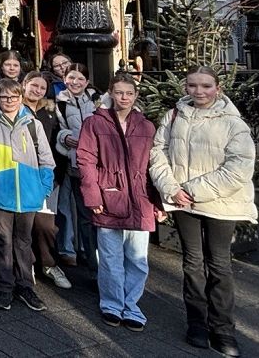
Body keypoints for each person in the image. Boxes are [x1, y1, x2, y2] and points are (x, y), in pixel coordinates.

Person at [149, 66, 257, 357]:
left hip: (220, 202)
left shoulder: (234, 123)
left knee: (219, 264)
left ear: (217, 88)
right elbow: (158, 153)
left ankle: (222, 328)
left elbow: (239, 168)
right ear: (185, 87)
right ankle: (196, 322)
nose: (199, 91)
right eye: (193, 85)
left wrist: (193, 190)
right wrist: (171, 188)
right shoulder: (173, 116)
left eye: (206, 86)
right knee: (192, 262)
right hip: (182, 200)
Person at [77, 73, 163, 331]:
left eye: (129, 93)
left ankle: (132, 304)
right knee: (110, 255)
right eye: (119, 92)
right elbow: (86, 160)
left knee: (137, 258)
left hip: (140, 198)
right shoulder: (94, 123)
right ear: (111, 94)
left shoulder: (147, 126)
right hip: (108, 194)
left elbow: (155, 165)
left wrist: (159, 202)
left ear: (135, 96)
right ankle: (112, 303)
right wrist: (92, 195)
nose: (124, 98)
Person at [0, 78, 54, 313]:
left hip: (29, 194)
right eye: (4, 97)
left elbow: (46, 158)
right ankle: (5, 287)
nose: (9, 101)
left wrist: (43, 187)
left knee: (23, 242)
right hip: (2, 194)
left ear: (20, 97)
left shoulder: (33, 124)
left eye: (14, 96)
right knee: (3, 242)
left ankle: (25, 286)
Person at [21, 72, 71, 290]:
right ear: (24, 85)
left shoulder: (49, 111)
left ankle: (49, 264)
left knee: (45, 224)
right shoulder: (14, 108)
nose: (37, 90)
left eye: (42, 87)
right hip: (21, 175)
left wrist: (55, 173)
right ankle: (27, 264)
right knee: (23, 224)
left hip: (45, 175)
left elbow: (56, 142)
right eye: (33, 85)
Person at [55, 62, 100, 266]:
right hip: (74, 162)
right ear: (65, 80)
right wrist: (64, 137)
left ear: (87, 82)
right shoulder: (59, 102)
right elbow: (57, 128)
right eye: (72, 78)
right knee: (82, 212)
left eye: (80, 78)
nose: (76, 82)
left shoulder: (97, 100)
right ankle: (90, 259)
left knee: (96, 213)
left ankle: (96, 254)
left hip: (98, 163)